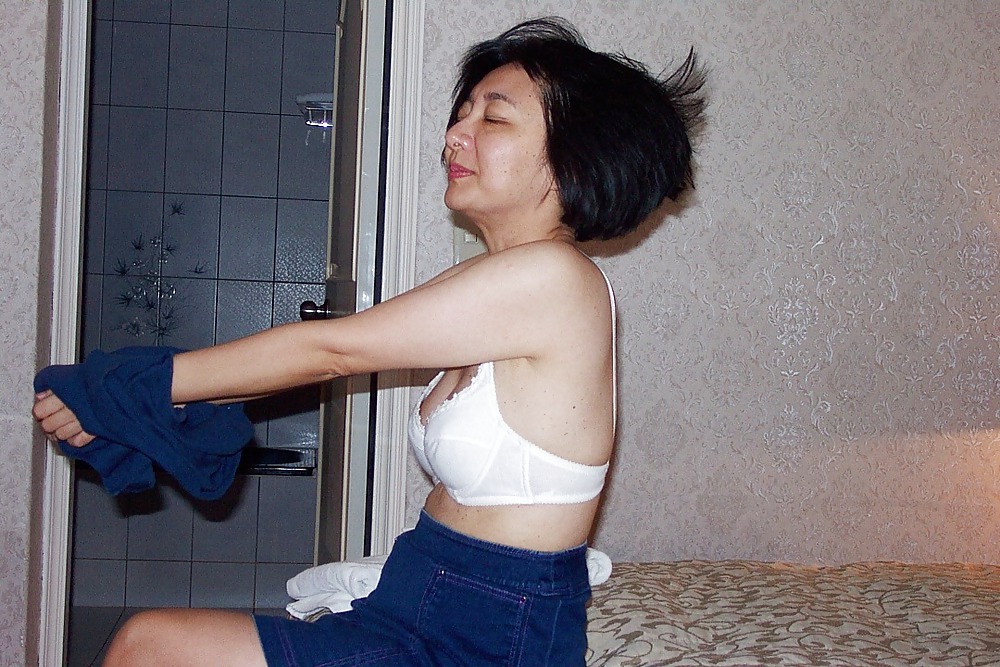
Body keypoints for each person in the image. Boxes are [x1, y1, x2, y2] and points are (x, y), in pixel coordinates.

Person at [33, 16, 705, 667]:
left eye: (494, 119)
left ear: (573, 159)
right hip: (420, 597)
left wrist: (127, 388)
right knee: (151, 644)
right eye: (461, 114)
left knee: (149, 645)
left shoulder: (555, 279)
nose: (455, 136)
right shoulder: (495, 282)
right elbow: (331, 351)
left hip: (490, 637)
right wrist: (161, 403)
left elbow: (333, 351)